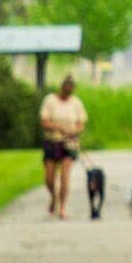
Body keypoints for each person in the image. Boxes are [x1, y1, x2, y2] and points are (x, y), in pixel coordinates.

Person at [39, 76, 89, 217]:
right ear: (62, 88)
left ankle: (62, 207)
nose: (68, 94)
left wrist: (74, 131)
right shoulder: (50, 100)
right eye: (66, 91)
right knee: (49, 178)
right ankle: (53, 196)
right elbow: (44, 121)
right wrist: (57, 127)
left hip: (69, 143)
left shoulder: (76, 103)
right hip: (52, 141)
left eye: (70, 92)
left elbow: (81, 124)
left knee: (64, 176)